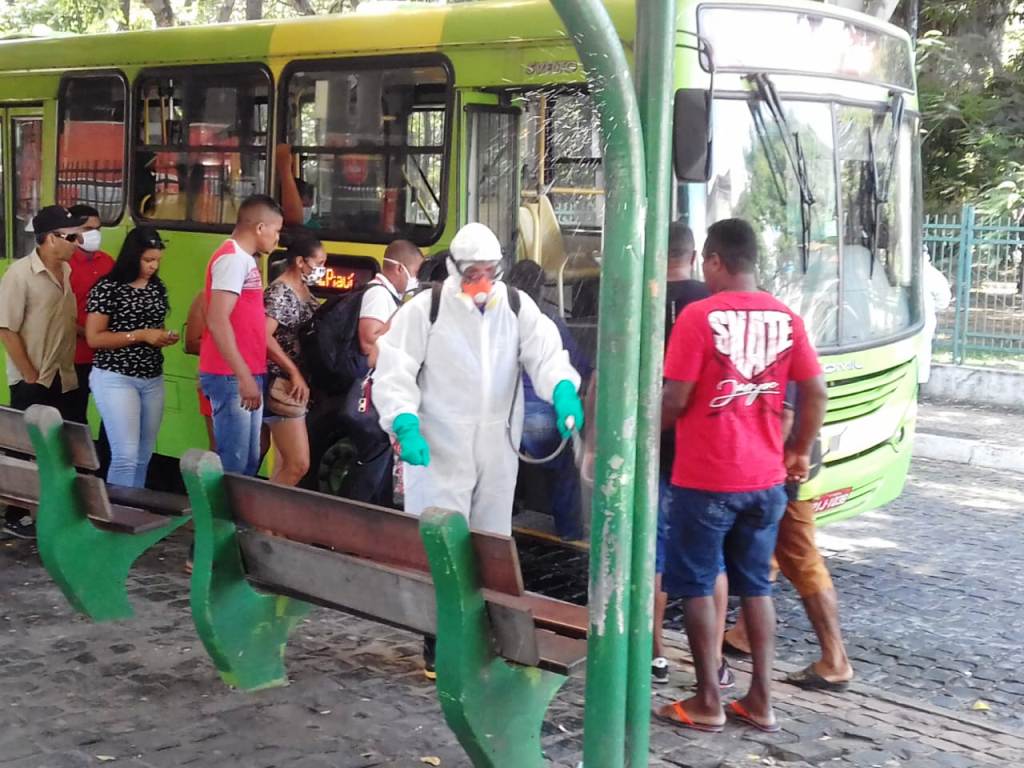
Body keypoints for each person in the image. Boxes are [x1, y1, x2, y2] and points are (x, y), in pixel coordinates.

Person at [374, 223, 583, 680]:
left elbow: (545, 353)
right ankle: (438, 641)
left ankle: (482, 635)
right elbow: (395, 368)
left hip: (496, 448)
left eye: (490, 271)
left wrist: (563, 389)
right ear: (453, 269)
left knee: (489, 543)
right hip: (438, 447)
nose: (482, 282)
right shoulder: (425, 309)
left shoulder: (515, 306)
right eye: (473, 273)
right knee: (443, 548)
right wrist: (404, 421)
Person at [656, 219, 827, 733]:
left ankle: (707, 700)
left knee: (699, 585)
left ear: (713, 261)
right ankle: (760, 701)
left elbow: (676, 398)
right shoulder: (787, 318)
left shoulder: (698, 316)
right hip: (766, 481)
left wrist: (642, 433)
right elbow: (816, 392)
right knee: (756, 589)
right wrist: (797, 451)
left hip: (706, 477)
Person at [722, 383, 855, 691]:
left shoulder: (783, 343)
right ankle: (743, 634)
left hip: (785, 463)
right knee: (768, 553)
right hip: (789, 458)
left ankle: (835, 660)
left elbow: (792, 409)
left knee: (800, 557)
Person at [651, 222, 717, 684]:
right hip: (699, 451)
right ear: (694, 257)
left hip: (653, 443)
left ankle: (653, 652)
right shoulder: (713, 307)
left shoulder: (639, 298)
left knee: (652, 556)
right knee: (710, 558)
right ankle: (712, 665)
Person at [0, 205, 85, 539]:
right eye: (72, 237)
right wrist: (29, 373)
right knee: (25, 447)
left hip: (63, 375)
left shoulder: (64, 272)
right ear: (51, 239)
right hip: (33, 378)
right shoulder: (20, 274)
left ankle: (49, 509)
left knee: (57, 447)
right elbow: (6, 329)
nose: (78, 242)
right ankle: (16, 513)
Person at [506, 260, 591, 542]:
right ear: (541, 288)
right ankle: (570, 533)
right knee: (564, 475)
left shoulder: (499, 316)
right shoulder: (548, 320)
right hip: (541, 413)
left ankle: (504, 524)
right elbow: (577, 365)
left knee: (502, 473)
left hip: (505, 414)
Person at [199, 195, 284, 476]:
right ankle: (221, 521)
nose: (277, 239)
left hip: (244, 372)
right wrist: (244, 376)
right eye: (276, 230)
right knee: (234, 464)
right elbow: (217, 319)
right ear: (260, 228)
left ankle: (232, 520)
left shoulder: (244, 259)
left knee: (248, 461)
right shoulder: (233, 259)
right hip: (231, 375)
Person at [85, 227, 176, 488]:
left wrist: (161, 337)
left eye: (157, 260)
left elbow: (152, 329)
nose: (153, 266)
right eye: (148, 260)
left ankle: (134, 512)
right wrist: (139, 335)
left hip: (151, 378)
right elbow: (95, 338)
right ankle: (119, 517)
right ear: (132, 257)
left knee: (143, 455)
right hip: (116, 377)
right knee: (125, 455)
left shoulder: (157, 288)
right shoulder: (108, 287)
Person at [263, 234, 326, 485]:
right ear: (301, 261)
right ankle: (263, 520)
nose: (322, 270)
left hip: (296, 385)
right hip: (283, 384)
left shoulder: (303, 290)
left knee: (284, 463)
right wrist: (293, 372)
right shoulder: (280, 292)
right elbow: (264, 337)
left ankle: (271, 523)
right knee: (298, 464)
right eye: (318, 263)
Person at [66, 204, 115, 425]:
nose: (95, 234)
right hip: (74, 357)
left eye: (98, 228)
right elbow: (59, 314)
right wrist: (88, 333)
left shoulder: (108, 262)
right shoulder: (63, 265)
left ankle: (106, 460)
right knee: (74, 417)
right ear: (72, 231)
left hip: (106, 356)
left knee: (113, 418)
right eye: (88, 229)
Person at [358, 240, 424, 369]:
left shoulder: (390, 295)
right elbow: (367, 344)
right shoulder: (378, 294)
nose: (417, 279)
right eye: (416, 273)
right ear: (400, 268)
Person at [920, 247, 952, 385]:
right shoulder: (933, 275)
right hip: (925, 318)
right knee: (921, 352)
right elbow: (943, 302)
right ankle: (919, 384)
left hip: (905, 320)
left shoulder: (898, 272)